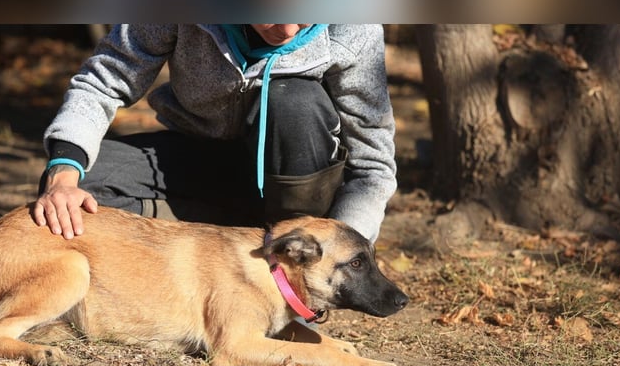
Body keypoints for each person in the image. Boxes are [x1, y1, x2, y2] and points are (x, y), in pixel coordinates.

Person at [33, 24, 397, 243]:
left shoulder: (354, 26)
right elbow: (103, 82)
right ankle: (217, 250)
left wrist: (340, 249)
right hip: (199, 158)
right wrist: (62, 177)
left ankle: (287, 263)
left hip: (296, 178)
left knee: (295, 101)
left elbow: (373, 168)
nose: (286, 30)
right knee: (80, 189)